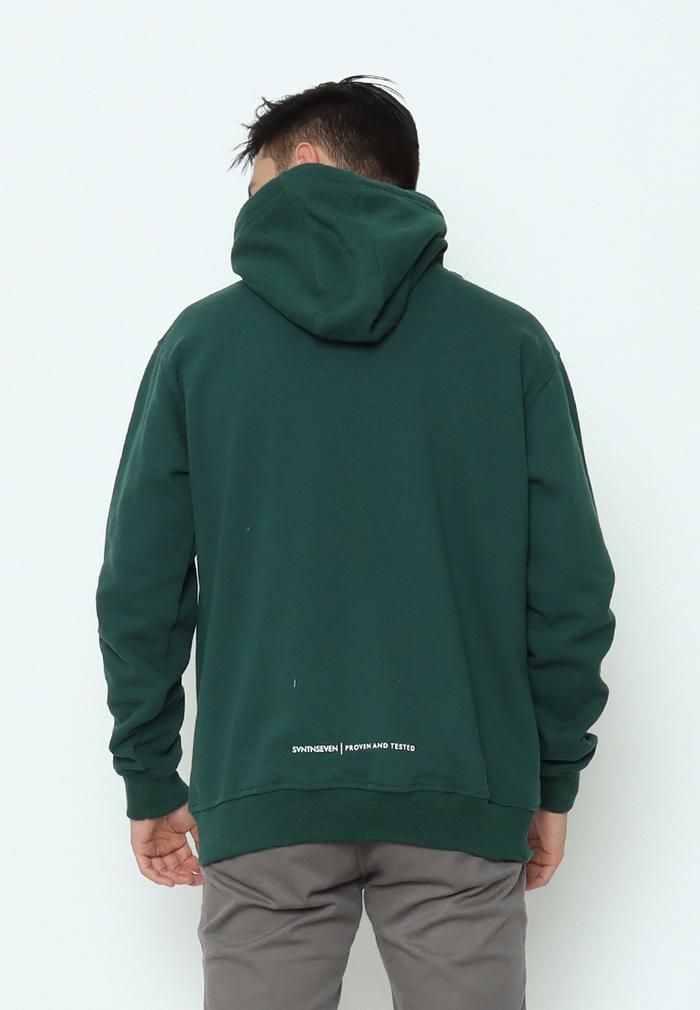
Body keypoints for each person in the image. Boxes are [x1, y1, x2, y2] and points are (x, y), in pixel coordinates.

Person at [95, 74, 616, 1009]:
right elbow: (570, 591)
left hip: (265, 791)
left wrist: (149, 772)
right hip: (461, 788)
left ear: (299, 164)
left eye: (257, 181)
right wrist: (552, 777)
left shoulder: (201, 346)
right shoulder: (509, 345)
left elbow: (141, 585)